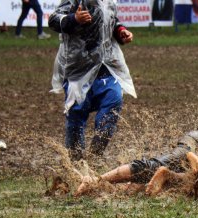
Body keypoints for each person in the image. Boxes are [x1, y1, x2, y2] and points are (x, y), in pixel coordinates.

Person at [48, 0, 137, 161]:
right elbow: (53, 19)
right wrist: (74, 19)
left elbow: (110, 19)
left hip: (107, 66)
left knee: (113, 103)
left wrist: (120, 31)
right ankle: (76, 166)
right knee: (76, 116)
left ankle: (94, 158)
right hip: (78, 70)